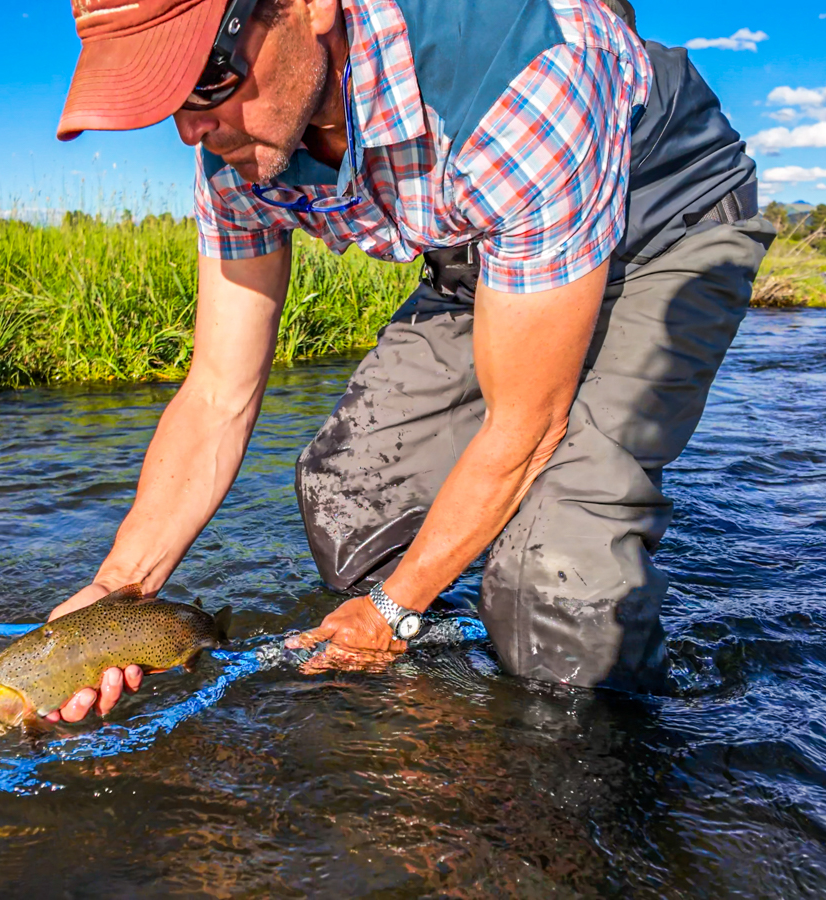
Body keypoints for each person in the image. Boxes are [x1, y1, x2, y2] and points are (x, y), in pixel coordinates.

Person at [38, 0, 772, 723]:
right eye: (163, 97)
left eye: (205, 78)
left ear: (308, 9)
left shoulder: (524, 81)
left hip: (657, 240)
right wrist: (116, 590)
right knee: (350, 492)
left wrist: (392, 607)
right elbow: (216, 395)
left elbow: (526, 425)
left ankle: (608, 757)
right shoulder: (234, 156)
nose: (190, 128)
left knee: (554, 584)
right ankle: (441, 699)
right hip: (493, 249)